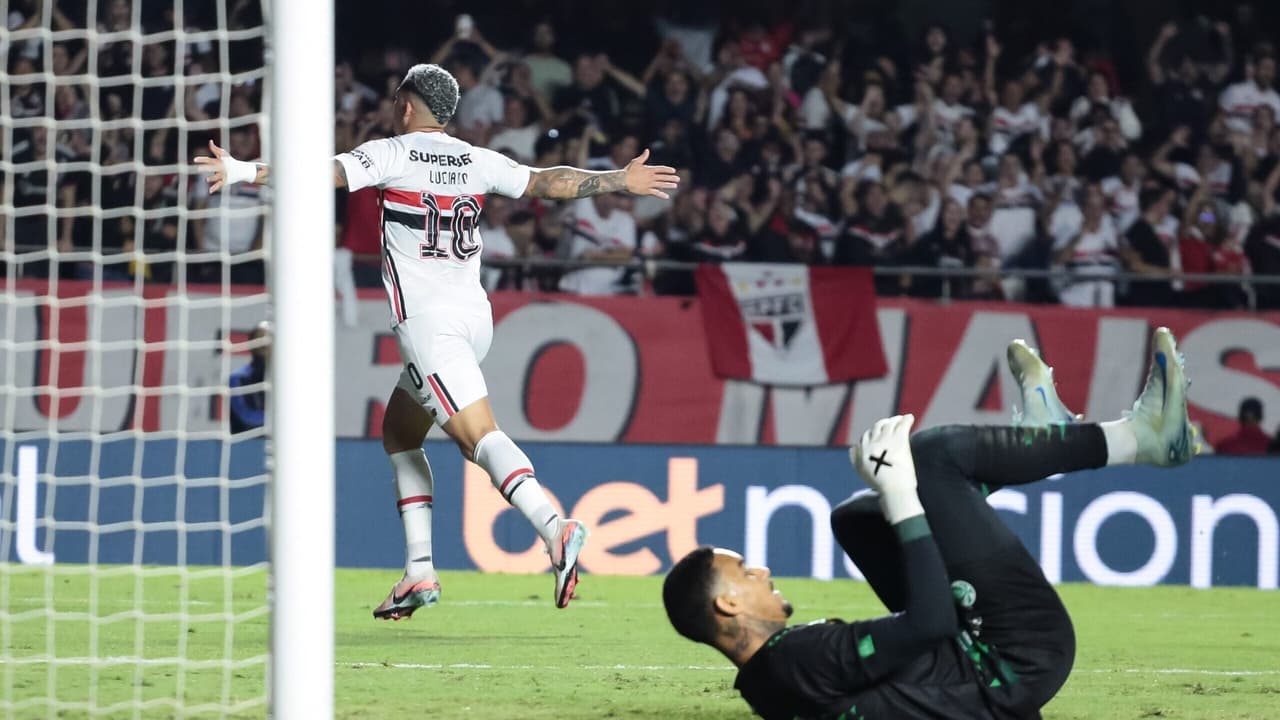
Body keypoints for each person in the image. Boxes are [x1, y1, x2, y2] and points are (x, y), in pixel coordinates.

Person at [194, 63, 678, 617]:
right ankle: (419, 571)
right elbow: (548, 181)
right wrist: (617, 180)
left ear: (405, 106)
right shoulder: (476, 159)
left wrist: (242, 170)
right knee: (400, 433)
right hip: (474, 318)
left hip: (429, 326)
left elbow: (318, 174)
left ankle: (554, 527)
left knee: (478, 437)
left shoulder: (390, 153)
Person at [664, 328, 1196, 720]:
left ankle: (1038, 446)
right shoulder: (801, 657)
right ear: (727, 604)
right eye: (744, 571)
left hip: (987, 684)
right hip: (1017, 655)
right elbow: (930, 622)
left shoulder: (766, 681)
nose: (760, 570)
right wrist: (899, 491)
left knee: (856, 520)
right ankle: (1141, 438)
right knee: (933, 456)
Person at [229, 320, 270, 435]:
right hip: (246, 442)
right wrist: (279, 418)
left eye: (268, 339)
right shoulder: (238, 378)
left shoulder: (286, 382)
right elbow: (245, 415)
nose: (263, 344)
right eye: (259, 339)